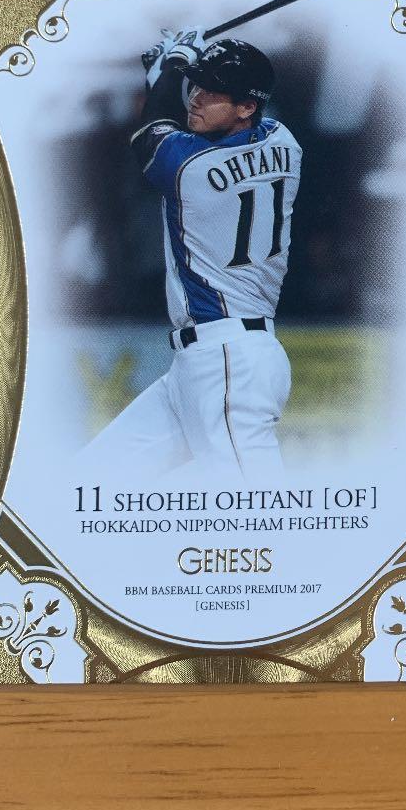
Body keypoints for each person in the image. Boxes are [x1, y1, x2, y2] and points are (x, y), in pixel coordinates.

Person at [81, 32, 302, 477]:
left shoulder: (193, 167)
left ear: (247, 107)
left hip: (229, 360)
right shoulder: (284, 143)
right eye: (196, 84)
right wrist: (167, 77)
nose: (197, 97)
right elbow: (167, 125)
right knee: (90, 481)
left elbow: (150, 134)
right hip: (207, 363)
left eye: (214, 92)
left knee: (260, 507)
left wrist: (170, 66)